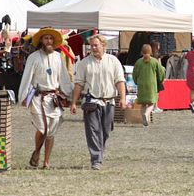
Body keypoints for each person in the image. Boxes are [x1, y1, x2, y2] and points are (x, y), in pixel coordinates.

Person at [18, 27, 73, 169]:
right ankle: (36, 152)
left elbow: (64, 77)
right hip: (38, 98)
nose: (48, 41)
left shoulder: (58, 57)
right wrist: (24, 96)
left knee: (51, 132)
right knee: (43, 128)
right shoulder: (33, 57)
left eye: (50, 38)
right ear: (41, 40)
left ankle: (46, 161)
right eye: (46, 38)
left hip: (53, 99)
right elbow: (27, 78)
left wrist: (69, 93)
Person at [70, 34, 126, 170]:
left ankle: (99, 152)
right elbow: (78, 84)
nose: (93, 48)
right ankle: (96, 160)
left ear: (103, 46)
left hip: (109, 102)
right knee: (93, 131)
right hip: (92, 101)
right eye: (92, 46)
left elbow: (119, 81)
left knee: (105, 131)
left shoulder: (113, 61)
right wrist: (73, 102)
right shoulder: (85, 63)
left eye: (96, 45)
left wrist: (123, 98)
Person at [133, 44, 165, 126]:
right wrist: (160, 79)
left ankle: (144, 120)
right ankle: (147, 114)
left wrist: (136, 81)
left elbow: (134, 74)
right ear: (151, 51)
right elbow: (161, 72)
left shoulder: (138, 62)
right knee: (152, 103)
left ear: (142, 51)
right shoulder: (154, 61)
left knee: (143, 103)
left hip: (141, 85)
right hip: (152, 85)